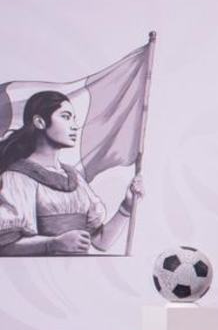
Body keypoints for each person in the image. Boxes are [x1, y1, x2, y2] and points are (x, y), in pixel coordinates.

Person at [0, 91, 144, 255]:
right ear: (40, 122)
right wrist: (53, 243)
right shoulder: (17, 178)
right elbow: (5, 247)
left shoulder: (75, 178)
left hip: (77, 276)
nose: (75, 125)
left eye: (74, 119)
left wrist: (127, 206)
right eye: (66, 117)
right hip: (37, 277)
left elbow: (101, 242)